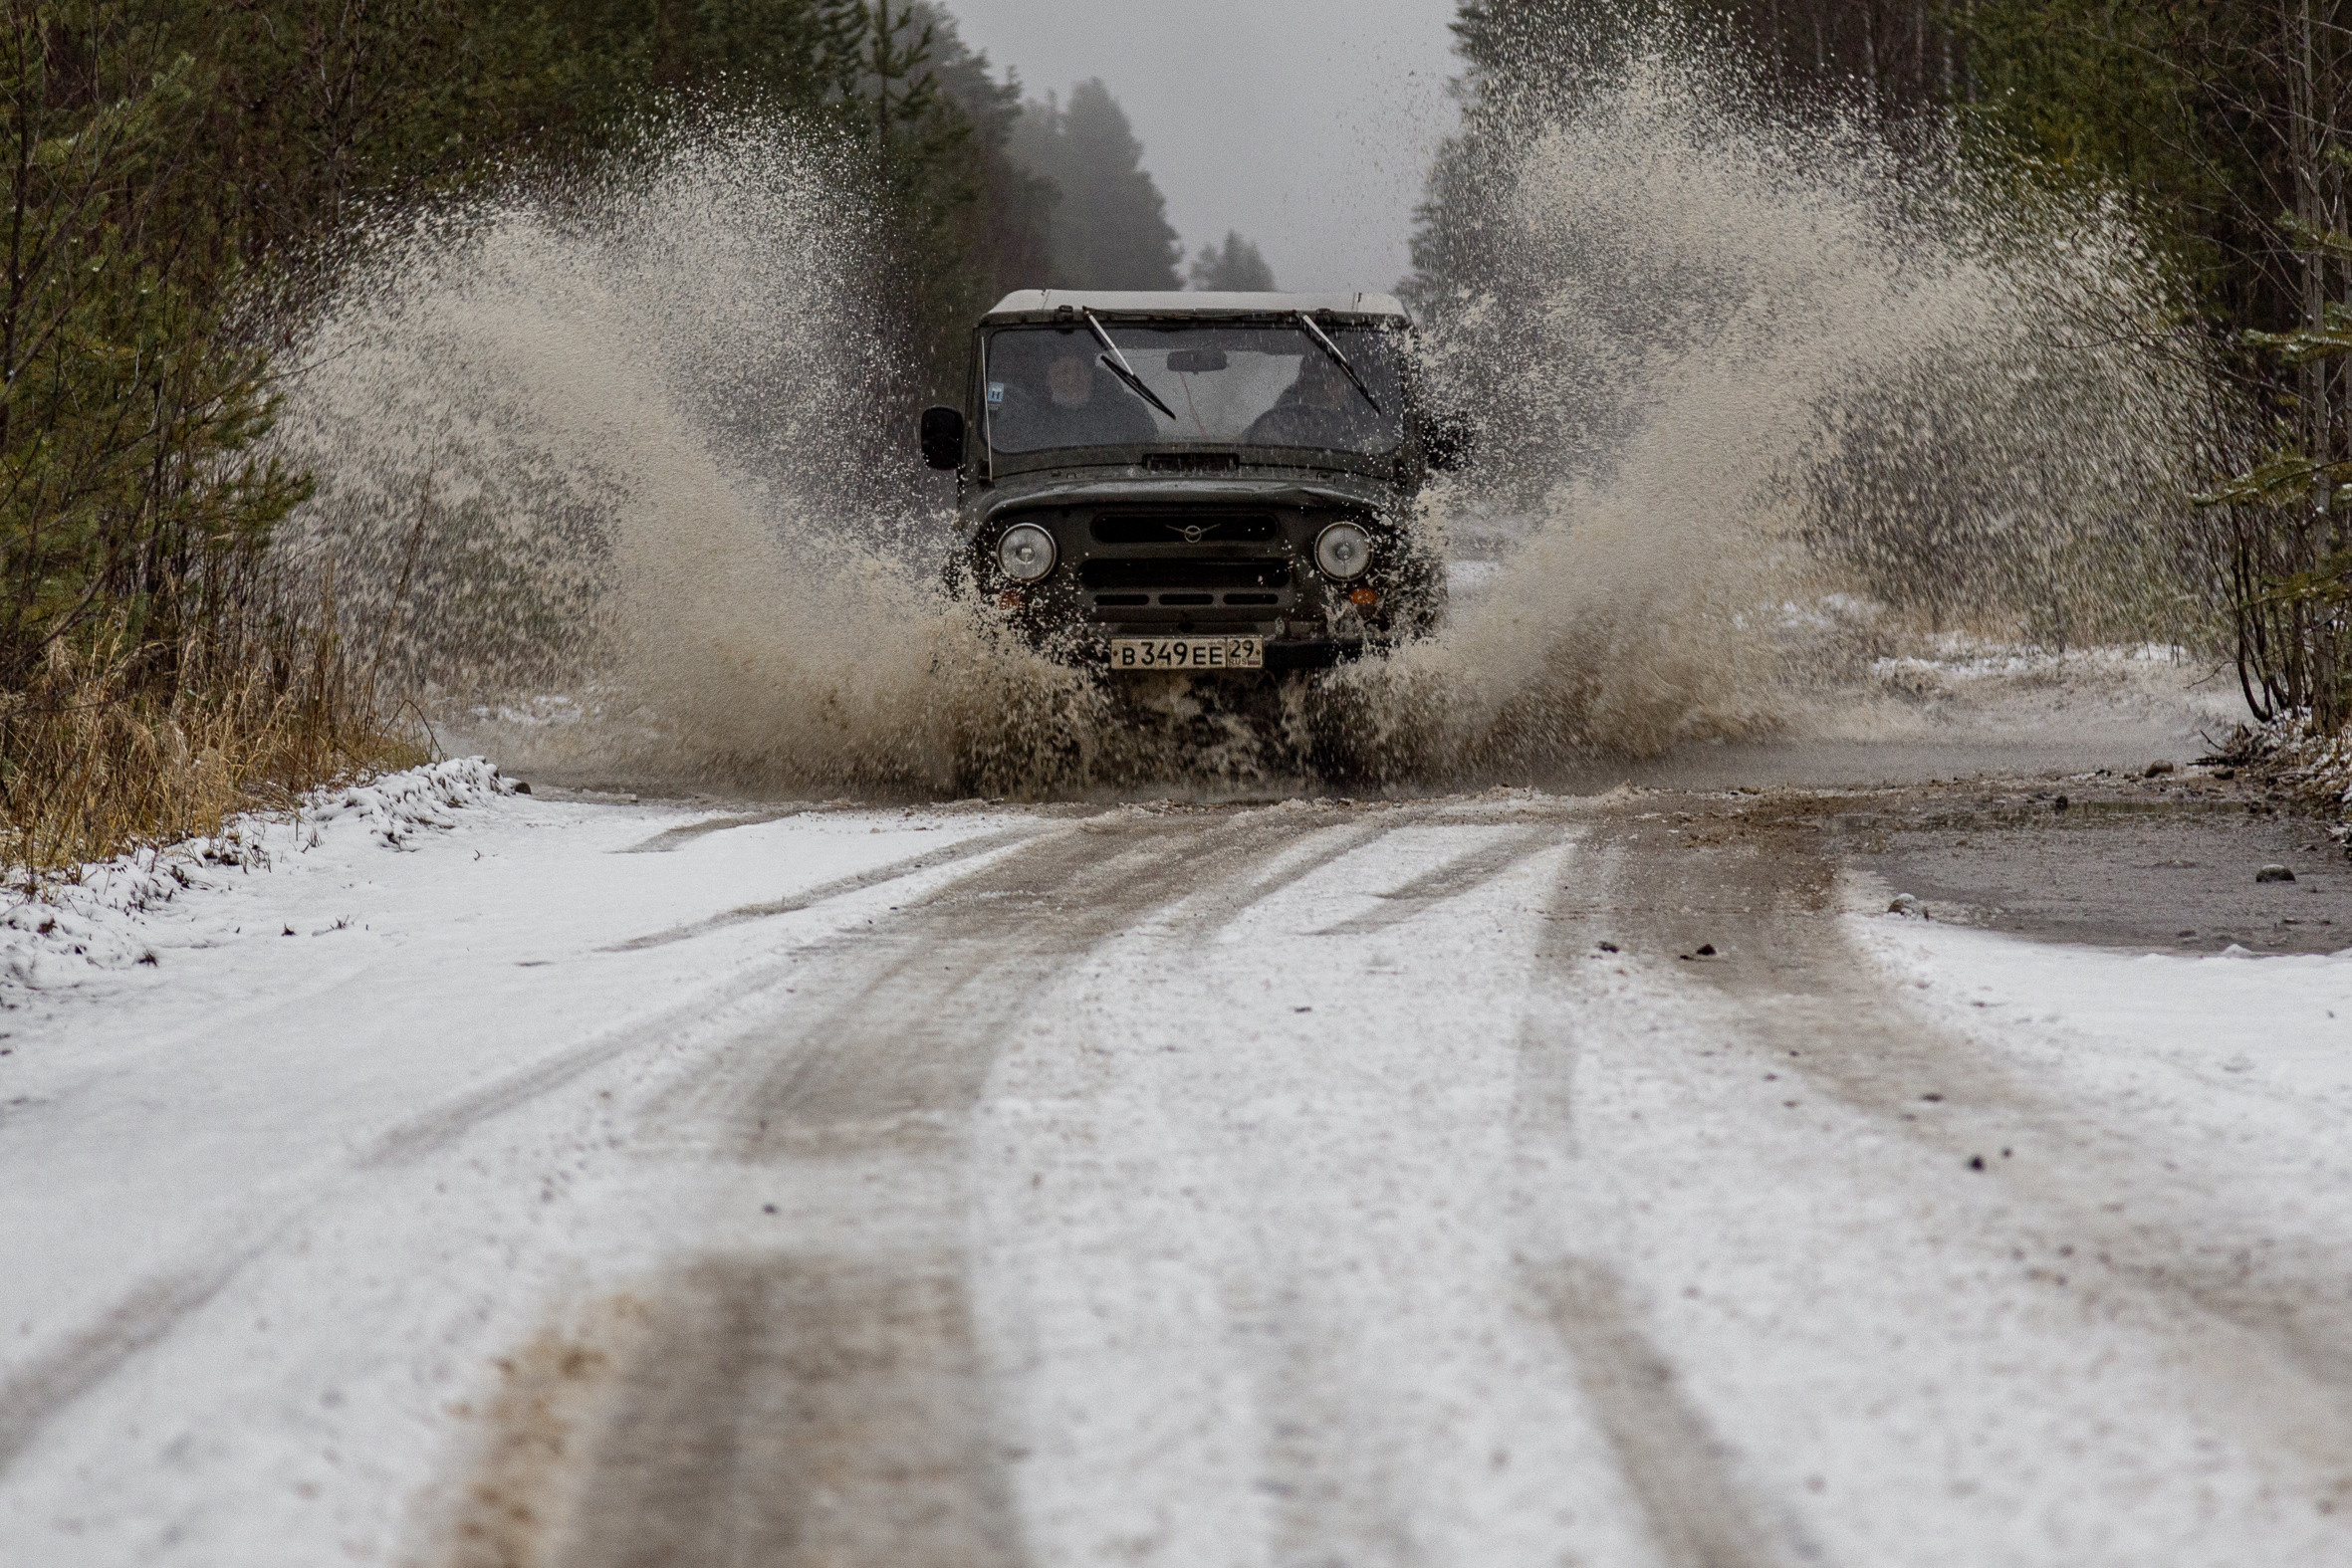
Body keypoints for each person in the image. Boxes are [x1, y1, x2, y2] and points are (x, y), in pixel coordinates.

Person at [996, 339, 1158, 449]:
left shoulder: (1126, 411)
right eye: (1063, 371)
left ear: (1092, 376)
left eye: (1080, 370)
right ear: (1049, 379)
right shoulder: (1028, 417)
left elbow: (1148, 451)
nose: (1072, 379)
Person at [1243, 351, 1370, 450]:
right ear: (1301, 385)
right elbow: (1241, 448)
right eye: (1315, 380)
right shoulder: (1276, 425)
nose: (1325, 387)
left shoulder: (1369, 427)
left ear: (1347, 386)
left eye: (1333, 378)